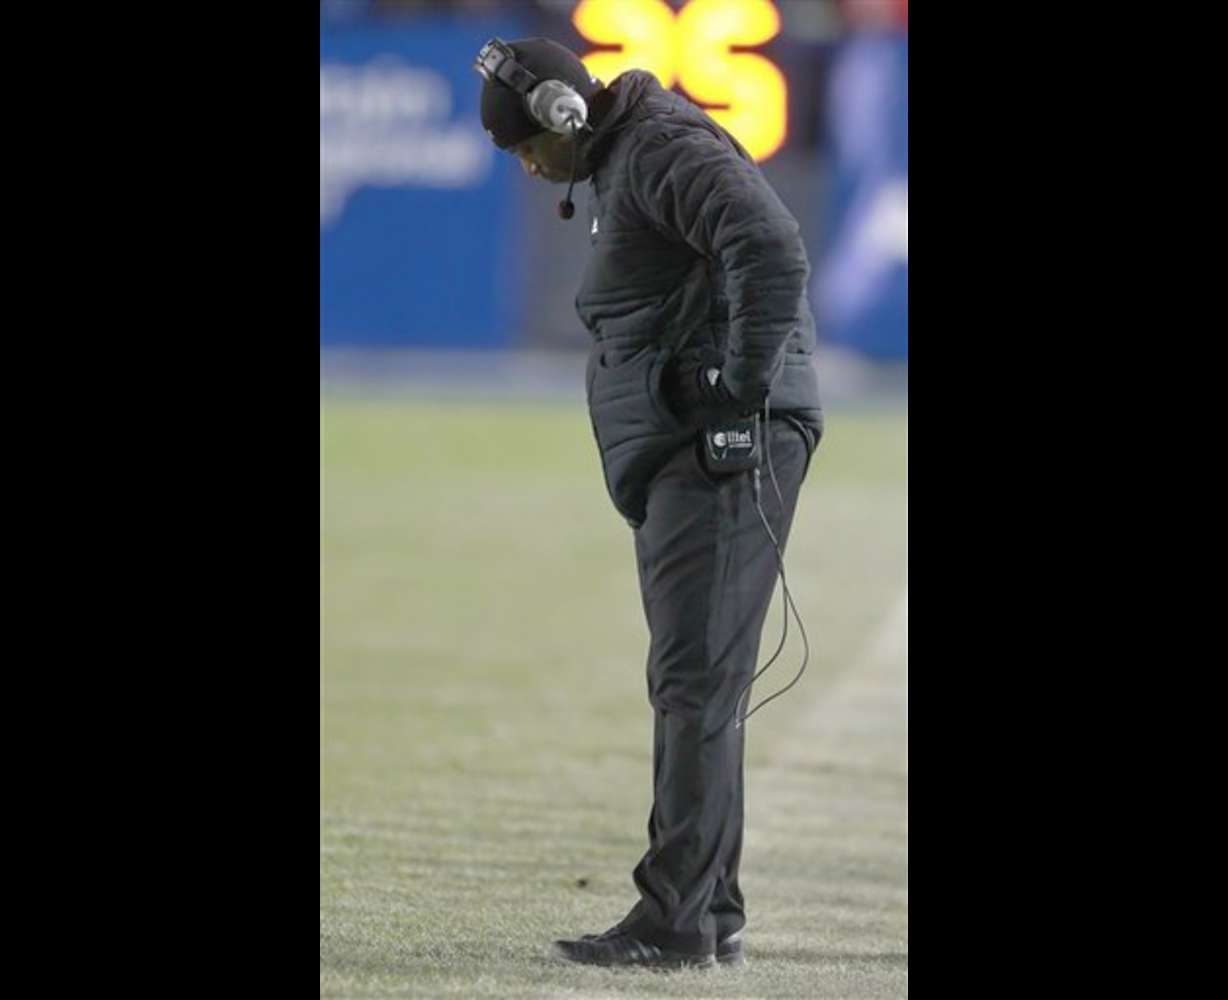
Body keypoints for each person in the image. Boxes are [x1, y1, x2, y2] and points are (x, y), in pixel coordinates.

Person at [476, 37, 823, 970]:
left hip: (721, 446)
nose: (529, 166)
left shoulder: (664, 149)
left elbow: (770, 244)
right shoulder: (633, 155)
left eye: (524, 147)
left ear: (559, 114)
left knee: (694, 683)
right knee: (701, 684)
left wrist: (738, 390)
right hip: (692, 446)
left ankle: (673, 921)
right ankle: (712, 907)